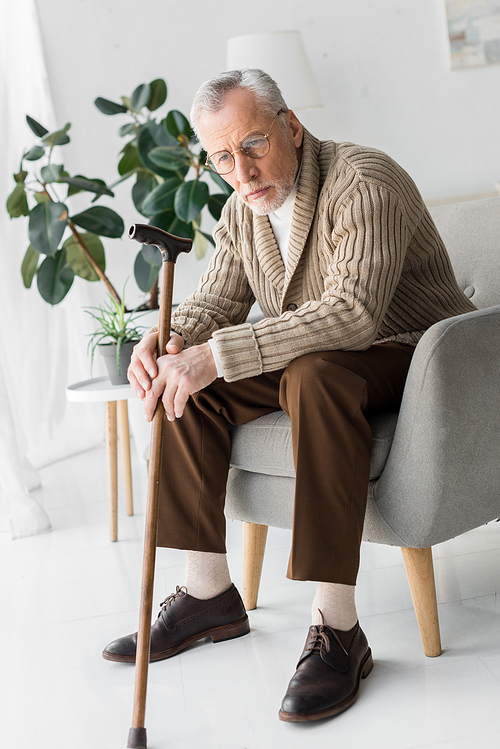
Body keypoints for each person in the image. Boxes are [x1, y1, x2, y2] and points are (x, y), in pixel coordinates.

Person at [103, 69, 475, 722]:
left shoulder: (363, 180)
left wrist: (214, 354)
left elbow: (354, 314)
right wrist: (168, 340)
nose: (240, 172)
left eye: (252, 144)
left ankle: (338, 629)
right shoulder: (240, 211)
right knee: (189, 383)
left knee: (309, 375)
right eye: (222, 157)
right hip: (315, 352)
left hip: (410, 351)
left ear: (291, 127)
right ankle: (208, 593)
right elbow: (216, 300)